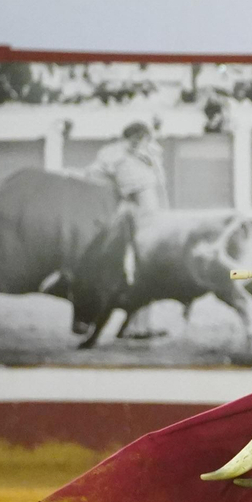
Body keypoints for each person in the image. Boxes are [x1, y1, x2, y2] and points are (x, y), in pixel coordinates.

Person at [84, 120, 168, 339]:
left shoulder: (149, 152)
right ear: (128, 138)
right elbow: (93, 176)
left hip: (148, 224)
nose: (139, 143)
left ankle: (138, 326)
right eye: (135, 139)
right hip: (130, 224)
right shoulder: (113, 154)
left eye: (142, 139)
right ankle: (131, 326)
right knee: (134, 271)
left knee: (146, 271)